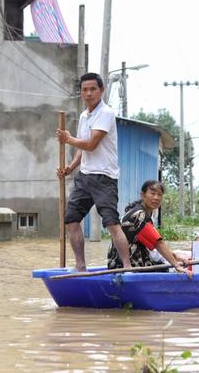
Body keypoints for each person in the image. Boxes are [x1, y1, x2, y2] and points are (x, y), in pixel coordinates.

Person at [56, 72, 132, 272]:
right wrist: (70, 168)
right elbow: (82, 149)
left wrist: (67, 139)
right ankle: (80, 266)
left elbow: (91, 144)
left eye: (93, 89)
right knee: (71, 219)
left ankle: (127, 267)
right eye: (84, 90)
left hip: (104, 177)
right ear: (80, 92)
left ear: (101, 90)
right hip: (85, 176)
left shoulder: (105, 113)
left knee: (112, 223)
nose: (88, 93)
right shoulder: (84, 116)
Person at [107, 180, 191, 277]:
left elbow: (152, 242)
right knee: (166, 269)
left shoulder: (141, 212)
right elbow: (158, 243)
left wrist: (176, 256)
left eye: (159, 194)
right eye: (152, 193)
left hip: (118, 263)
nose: (156, 198)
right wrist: (177, 266)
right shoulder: (139, 215)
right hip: (126, 266)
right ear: (142, 195)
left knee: (164, 265)